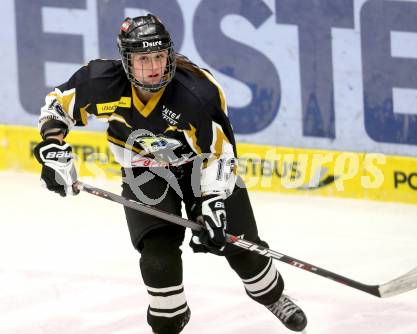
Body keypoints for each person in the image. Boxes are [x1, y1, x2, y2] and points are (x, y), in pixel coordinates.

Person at [33, 14, 307, 333]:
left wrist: (212, 204)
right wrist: (53, 149)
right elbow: (58, 106)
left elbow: (219, 154)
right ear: (126, 61)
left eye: (159, 57)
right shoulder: (100, 82)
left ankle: (271, 295)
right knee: (158, 261)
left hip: (200, 169)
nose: (153, 67)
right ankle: (170, 320)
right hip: (144, 170)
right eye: (143, 59)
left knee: (243, 249)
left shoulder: (198, 93)